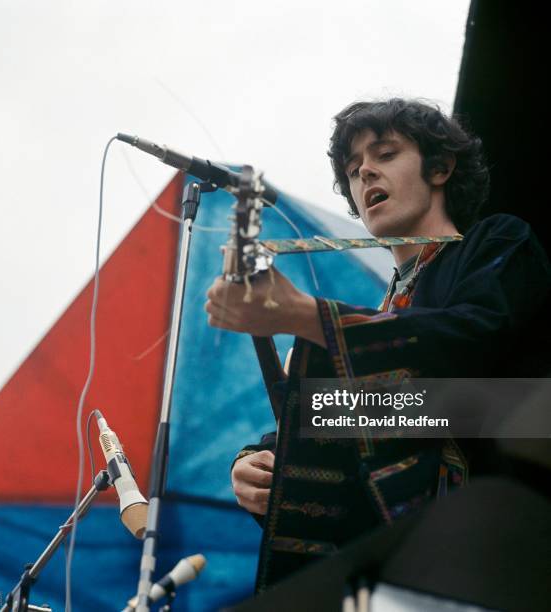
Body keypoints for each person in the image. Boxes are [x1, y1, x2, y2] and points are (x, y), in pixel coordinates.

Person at [205, 99, 551, 588]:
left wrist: (315, 321)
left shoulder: (499, 242)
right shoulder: (374, 316)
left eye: (385, 154)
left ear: (441, 167)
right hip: (391, 575)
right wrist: (261, 462)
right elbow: (357, 417)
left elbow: (468, 350)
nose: (364, 172)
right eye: (352, 169)